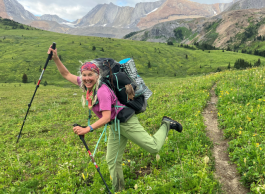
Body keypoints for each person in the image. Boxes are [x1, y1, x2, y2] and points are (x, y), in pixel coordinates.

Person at [47, 45, 183, 192]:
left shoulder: (102, 91)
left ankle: (166, 124)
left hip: (126, 122)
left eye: (90, 75)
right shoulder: (87, 86)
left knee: (153, 147)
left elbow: (105, 117)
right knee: (112, 160)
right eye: (84, 75)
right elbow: (66, 74)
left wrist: (87, 128)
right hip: (115, 125)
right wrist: (55, 58)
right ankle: (118, 190)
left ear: (97, 75)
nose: (86, 79)